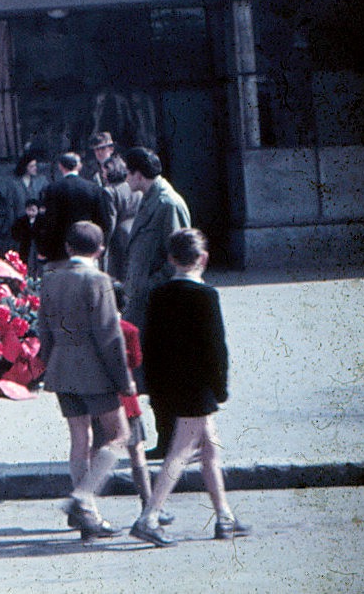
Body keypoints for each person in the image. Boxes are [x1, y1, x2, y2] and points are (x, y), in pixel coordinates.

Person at [130, 228, 250, 547]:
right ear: (204, 258)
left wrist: (153, 387)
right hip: (197, 387)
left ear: (171, 259)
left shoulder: (159, 294)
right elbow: (216, 347)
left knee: (210, 447)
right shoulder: (206, 296)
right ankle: (150, 516)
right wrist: (220, 388)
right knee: (182, 451)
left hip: (167, 384)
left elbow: (149, 344)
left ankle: (224, 515)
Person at [36, 221, 134, 539]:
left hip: (61, 367)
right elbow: (109, 336)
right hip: (95, 370)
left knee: (80, 438)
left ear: (68, 248)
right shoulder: (99, 280)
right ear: (100, 249)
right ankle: (83, 497)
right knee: (119, 435)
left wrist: (48, 364)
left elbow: (44, 329)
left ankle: (87, 515)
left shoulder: (50, 280)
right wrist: (124, 380)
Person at [118, 146, 193, 460]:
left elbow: (180, 257)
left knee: (164, 375)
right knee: (152, 374)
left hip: (160, 305)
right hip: (144, 303)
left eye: (127, 172)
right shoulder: (150, 199)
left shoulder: (166, 203)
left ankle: (178, 440)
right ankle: (170, 439)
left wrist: (147, 285)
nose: (125, 178)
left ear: (138, 173)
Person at [112, 279, 164, 528]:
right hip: (127, 401)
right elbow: (135, 362)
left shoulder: (94, 330)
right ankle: (148, 503)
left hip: (103, 400)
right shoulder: (130, 330)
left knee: (97, 451)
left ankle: (85, 506)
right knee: (137, 453)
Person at [36, 153, 113, 267]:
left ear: (60, 166)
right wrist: (100, 248)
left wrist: (44, 250)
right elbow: (104, 221)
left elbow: (48, 223)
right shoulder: (94, 189)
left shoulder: (52, 189)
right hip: (88, 251)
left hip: (59, 252)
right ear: (79, 166)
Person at [102, 155, 141, 282]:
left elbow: (110, 221)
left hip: (119, 237)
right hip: (136, 231)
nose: (103, 174)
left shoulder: (110, 191)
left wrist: (104, 244)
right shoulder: (134, 187)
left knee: (118, 276)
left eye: (104, 171)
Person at [2, 153, 46, 250]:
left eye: (35, 165)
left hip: (37, 223)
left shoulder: (41, 180)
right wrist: (12, 225)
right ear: (25, 167)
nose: (35, 168)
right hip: (20, 222)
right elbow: (10, 205)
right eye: (32, 166)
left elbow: (47, 198)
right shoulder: (13, 183)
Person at [11, 199, 43, 272]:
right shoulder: (21, 221)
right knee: (25, 262)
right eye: (29, 210)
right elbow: (15, 232)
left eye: (33, 210)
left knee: (38, 264)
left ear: (38, 210)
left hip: (38, 246)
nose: (31, 213)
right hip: (25, 246)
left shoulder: (42, 220)